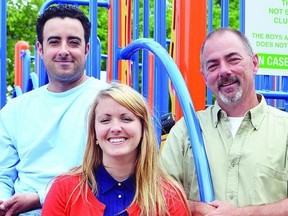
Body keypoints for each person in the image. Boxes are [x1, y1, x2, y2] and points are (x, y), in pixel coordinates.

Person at [159, 27, 288, 215]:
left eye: (233, 59)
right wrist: (197, 209)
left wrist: (241, 214)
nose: (224, 71)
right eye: (213, 65)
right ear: (204, 76)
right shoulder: (186, 130)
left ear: (254, 63)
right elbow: (157, 195)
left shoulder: (284, 129)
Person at [0, 4, 108, 216]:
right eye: (54, 42)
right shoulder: (15, 110)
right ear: (40, 50)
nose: (64, 51)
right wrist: (3, 201)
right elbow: (3, 173)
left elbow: (114, 172)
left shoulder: (108, 100)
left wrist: (40, 198)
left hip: (86, 210)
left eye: (73, 42)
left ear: (86, 49)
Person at [41, 83, 190, 216]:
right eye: (105, 120)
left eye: (126, 119)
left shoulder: (169, 195)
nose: (115, 128)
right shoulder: (64, 189)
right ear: (95, 134)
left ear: (143, 129)